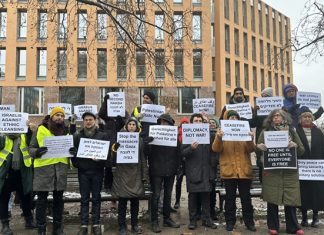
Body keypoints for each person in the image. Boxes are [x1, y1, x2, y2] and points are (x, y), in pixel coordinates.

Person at [256, 109, 305, 235]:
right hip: (272, 172)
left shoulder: (291, 131)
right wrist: (259, 147)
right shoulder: (265, 132)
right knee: (272, 200)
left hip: (289, 172)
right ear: (271, 119)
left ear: (284, 118)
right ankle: (273, 226)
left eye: (279, 115)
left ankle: (293, 227)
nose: (276, 118)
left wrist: (295, 146)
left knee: (290, 200)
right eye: (274, 116)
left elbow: (301, 150)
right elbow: (257, 151)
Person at [29, 106, 72, 235]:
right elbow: (30, 148)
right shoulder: (41, 129)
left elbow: (69, 148)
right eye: (57, 115)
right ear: (52, 116)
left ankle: (57, 228)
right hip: (44, 170)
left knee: (59, 200)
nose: (60, 118)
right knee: (42, 200)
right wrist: (37, 151)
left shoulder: (66, 131)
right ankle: (41, 228)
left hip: (60, 170)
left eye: (62, 116)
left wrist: (72, 151)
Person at [212, 110, 256, 232]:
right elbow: (215, 149)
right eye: (231, 117)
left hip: (244, 171)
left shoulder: (244, 131)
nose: (234, 119)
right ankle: (230, 222)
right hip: (229, 171)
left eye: (236, 117)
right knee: (230, 199)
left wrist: (250, 138)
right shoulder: (221, 132)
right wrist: (219, 138)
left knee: (246, 199)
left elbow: (251, 149)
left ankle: (249, 222)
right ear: (226, 120)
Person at [71, 112, 110, 235]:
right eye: (86, 120)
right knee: (84, 199)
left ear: (94, 121)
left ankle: (96, 224)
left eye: (90, 119)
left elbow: (108, 155)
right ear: (83, 121)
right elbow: (73, 153)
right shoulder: (77, 136)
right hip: (83, 172)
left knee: (96, 198)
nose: (88, 121)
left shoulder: (102, 135)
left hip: (97, 171)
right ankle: (83, 224)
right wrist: (77, 163)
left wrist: (100, 160)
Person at [110, 117, 149, 235]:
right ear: (126, 126)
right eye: (130, 124)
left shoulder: (140, 140)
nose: (132, 126)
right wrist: (115, 149)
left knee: (135, 202)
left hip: (136, 174)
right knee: (122, 202)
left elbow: (143, 158)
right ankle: (121, 226)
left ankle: (134, 224)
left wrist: (144, 175)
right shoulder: (120, 138)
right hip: (123, 174)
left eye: (134, 124)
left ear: (136, 127)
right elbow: (113, 157)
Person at [145, 113, 181, 233]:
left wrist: (177, 166)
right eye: (161, 122)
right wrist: (147, 143)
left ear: (170, 124)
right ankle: (154, 221)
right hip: (156, 170)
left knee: (168, 195)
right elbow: (146, 153)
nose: (163, 124)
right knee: (155, 196)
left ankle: (166, 218)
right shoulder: (153, 136)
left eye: (166, 122)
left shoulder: (173, 137)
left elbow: (179, 153)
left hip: (170, 170)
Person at [181, 113, 217, 230]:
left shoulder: (209, 135)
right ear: (192, 123)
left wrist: (212, 168)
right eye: (195, 120)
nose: (198, 122)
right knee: (193, 197)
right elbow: (182, 153)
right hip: (193, 171)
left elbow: (214, 152)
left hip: (206, 171)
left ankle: (207, 219)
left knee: (206, 197)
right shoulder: (188, 135)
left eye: (199, 120)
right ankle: (193, 220)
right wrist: (191, 148)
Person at [0, 125, 36, 235]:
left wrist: (29, 130)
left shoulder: (25, 135)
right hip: (7, 173)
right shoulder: (3, 137)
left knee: (25, 197)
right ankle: (5, 225)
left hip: (22, 172)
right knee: (3, 198)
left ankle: (28, 219)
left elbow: (32, 143)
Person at [296, 106, 324, 228]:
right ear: (300, 119)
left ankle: (316, 216)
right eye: (304, 117)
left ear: (312, 118)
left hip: (316, 168)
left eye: (309, 116)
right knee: (303, 191)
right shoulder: (295, 131)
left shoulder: (318, 131)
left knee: (316, 191)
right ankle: (304, 217)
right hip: (302, 167)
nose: (307, 118)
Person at [98, 94, 126, 196]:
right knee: (108, 167)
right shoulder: (107, 118)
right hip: (108, 144)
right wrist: (105, 101)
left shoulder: (120, 116)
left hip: (117, 144)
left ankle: (117, 187)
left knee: (116, 167)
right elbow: (101, 113)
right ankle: (107, 187)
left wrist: (120, 118)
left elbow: (124, 124)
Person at [251, 87, 274, 182]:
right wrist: (255, 113)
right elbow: (253, 124)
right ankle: (262, 183)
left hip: (273, 137)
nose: (264, 98)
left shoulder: (275, 109)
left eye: (266, 96)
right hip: (261, 136)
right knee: (261, 160)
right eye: (263, 96)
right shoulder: (259, 110)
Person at [173, 117, 189, 210]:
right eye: (183, 123)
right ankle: (177, 201)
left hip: (188, 161)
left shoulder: (191, 132)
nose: (185, 124)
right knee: (178, 182)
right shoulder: (176, 133)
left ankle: (191, 202)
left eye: (186, 123)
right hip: (179, 161)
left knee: (190, 182)